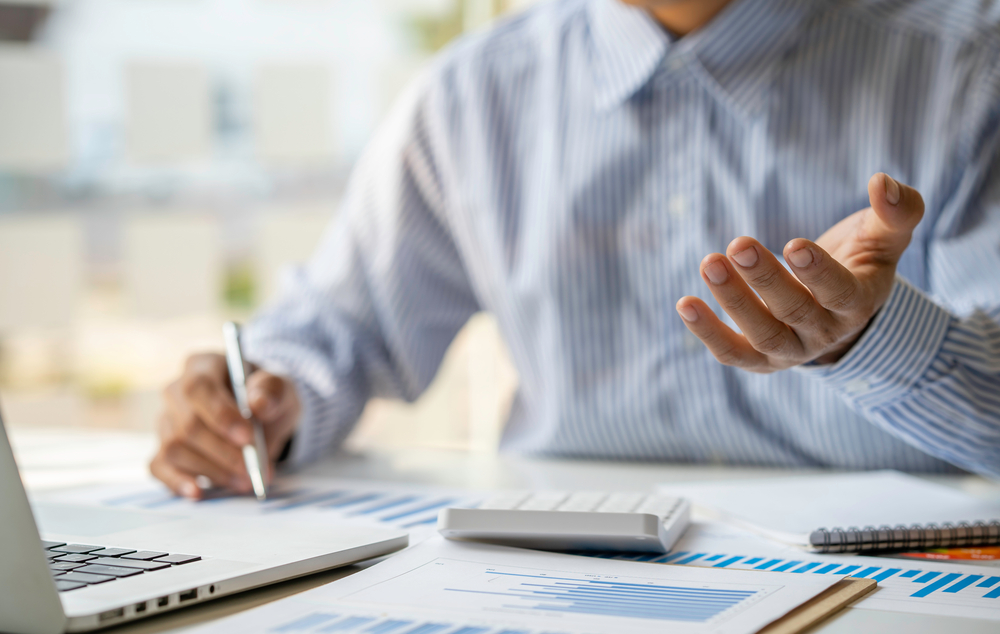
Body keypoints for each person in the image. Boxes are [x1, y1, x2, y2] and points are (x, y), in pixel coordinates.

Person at [152, 0, 1000, 499]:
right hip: (559, 568)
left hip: (891, 578)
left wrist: (874, 340)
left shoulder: (970, 63)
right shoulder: (473, 92)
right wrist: (259, 401)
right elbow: (343, 327)